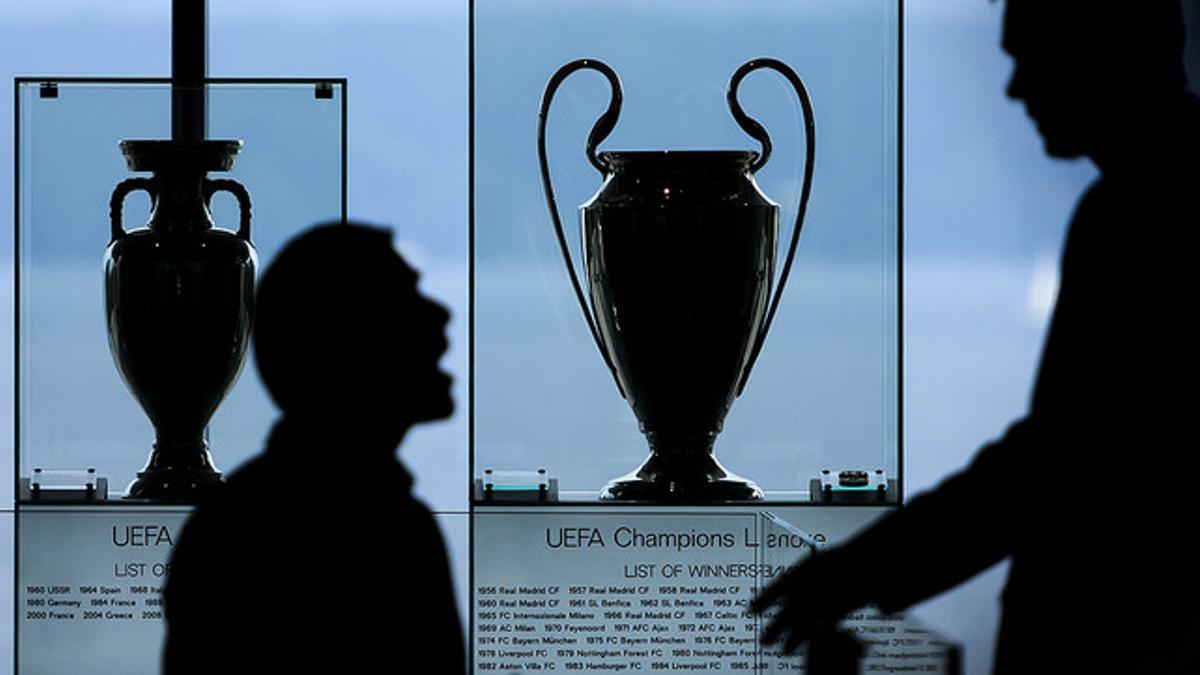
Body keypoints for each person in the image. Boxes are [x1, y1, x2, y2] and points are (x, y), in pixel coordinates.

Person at [752, 1, 1200, 673]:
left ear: (1099, 57)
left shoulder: (1131, 217)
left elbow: (1056, 460)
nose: (1015, 88)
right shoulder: (1142, 205)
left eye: (1029, 59)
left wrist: (855, 570)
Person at [162, 223, 465, 674]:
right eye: (403, 299)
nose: (439, 315)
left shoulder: (232, 524)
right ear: (348, 346)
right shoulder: (389, 532)